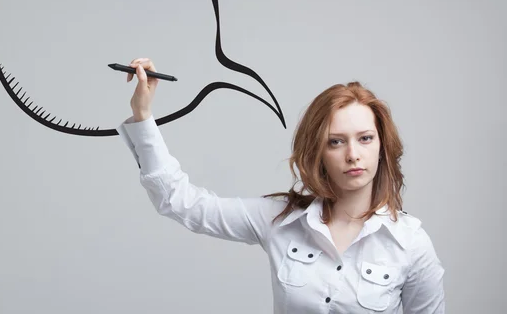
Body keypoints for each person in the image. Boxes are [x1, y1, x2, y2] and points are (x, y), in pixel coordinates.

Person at [115, 58, 446, 314]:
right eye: (336, 142)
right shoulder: (281, 220)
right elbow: (179, 201)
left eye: (365, 138)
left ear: (381, 146)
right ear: (318, 152)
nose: (352, 155)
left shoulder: (411, 244)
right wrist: (143, 114)